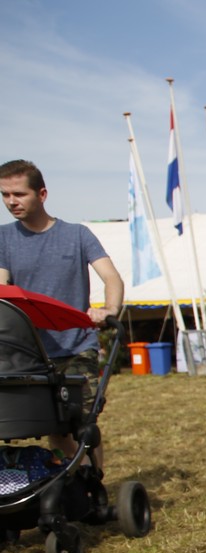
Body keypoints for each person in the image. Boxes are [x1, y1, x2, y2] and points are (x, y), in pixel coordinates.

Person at [0, 159, 125, 470]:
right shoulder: (4, 238)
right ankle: (73, 479)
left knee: (82, 424)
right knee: (54, 428)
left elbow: (112, 278)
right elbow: (2, 289)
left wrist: (108, 309)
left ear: (42, 194)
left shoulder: (77, 235)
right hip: (31, 352)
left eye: (19, 194)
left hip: (77, 346)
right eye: (5, 195)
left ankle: (93, 484)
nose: (11, 202)